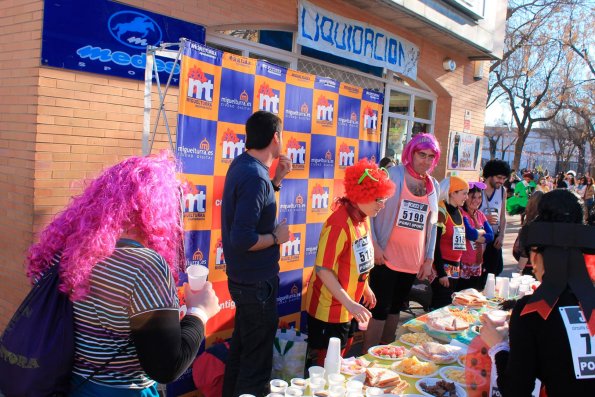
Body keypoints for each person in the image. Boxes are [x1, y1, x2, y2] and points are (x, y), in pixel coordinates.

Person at [25, 153, 221, 396]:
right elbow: (167, 367)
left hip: (67, 385)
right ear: (158, 207)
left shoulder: (64, 250)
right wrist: (200, 311)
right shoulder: (145, 266)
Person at [480, 189, 595, 396]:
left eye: (533, 251)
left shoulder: (534, 311)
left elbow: (516, 390)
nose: (532, 264)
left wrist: (498, 346)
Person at [221, 110, 292, 397]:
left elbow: (255, 209)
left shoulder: (245, 166)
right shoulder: (254, 176)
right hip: (256, 284)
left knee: (242, 350)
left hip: (247, 281)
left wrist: (277, 181)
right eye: (282, 136)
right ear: (275, 138)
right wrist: (277, 237)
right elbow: (243, 238)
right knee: (256, 363)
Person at [305, 159, 395, 366]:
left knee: (341, 359)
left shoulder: (364, 217)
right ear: (360, 195)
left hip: (349, 307)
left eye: (384, 199)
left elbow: (358, 260)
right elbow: (323, 269)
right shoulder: (338, 223)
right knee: (326, 364)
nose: (382, 205)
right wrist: (350, 303)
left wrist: (365, 288)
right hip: (330, 308)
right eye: (378, 199)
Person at [364, 133, 441, 350]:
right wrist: (375, 244)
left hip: (412, 262)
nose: (425, 161)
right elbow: (368, 210)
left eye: (430, 157)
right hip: (385, 257)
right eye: (421, 154)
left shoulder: (432, 185)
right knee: (378, 309)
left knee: (395, 309)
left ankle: (385, 355)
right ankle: (368, 357)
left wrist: (428, 258)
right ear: (411, 153)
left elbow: (433, 223)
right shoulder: (391, 175)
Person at [430, 176, 469, 309]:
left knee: (449, 306)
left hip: (455, 268)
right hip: (442, 269)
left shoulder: (458, 210)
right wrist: (441, 273)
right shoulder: (442, 210)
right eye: (464, 193)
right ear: (453, 193)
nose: (467, 197)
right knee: (439, 308)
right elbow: (434, 243)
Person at [479, 159, 511, 289]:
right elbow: (467, 214)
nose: (501, 181)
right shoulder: (476, 189)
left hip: (494, 238)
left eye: (504, 178)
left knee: (494, 273)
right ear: (490, 175)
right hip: (479, 238)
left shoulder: (502, 191)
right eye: (499, 177)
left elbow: (503, 216)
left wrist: (502, 235)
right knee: (478, 275)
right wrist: (484, 218)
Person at [458, 182, 494, 291]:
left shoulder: (480, 215)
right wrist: (482, 233)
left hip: (477, 263)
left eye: (479, 197)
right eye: (473, 197)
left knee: (472, 295)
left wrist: (477, 235)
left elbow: (491, 236)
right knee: (460, 294)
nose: (476, 200)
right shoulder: (461, 213)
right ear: (466, 197)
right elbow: (470, 233)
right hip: (463, 263)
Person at [514, 191, 544, 275]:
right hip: (541, 266)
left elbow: (525, 252)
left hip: (530, 266)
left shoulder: (529, 224)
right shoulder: (545, 223)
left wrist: (519, 270)